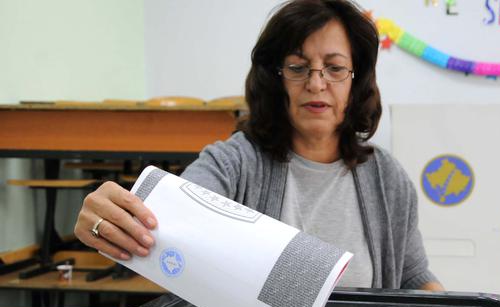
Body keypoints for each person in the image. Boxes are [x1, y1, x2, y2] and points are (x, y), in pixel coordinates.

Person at [74, 0, 442, 291]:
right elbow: (168, 220)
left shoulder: (387, 177)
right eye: (298, 67)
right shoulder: (234, 162)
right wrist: (108, 217)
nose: (316, 83)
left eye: (334, 68)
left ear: (356, 81)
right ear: (275, 79)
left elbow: (412, 275)